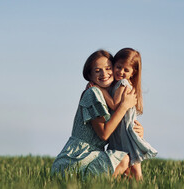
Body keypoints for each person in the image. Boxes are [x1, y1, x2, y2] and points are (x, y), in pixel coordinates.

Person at [51, 50, 140, 178]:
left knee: (126, 167)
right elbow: (104, 134)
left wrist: (138, 131)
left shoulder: (109, 97)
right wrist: (124, 106)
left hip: (91, 155)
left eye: (108, 68)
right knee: (123, 159)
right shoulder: (93, 93)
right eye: (98, 70)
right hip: (75, 159)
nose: (104, 74)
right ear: (90, 75)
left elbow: (118, 125)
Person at [95, 48, 157, 181]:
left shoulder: (123, 84)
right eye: (118, 67)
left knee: (134, 165)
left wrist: (99, 88)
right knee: (131, 167)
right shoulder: (117, 85)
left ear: (133, 73)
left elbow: (114, 104)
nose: (121, 72)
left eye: (126, 70)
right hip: (120, 130)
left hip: (124, 131)